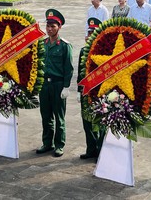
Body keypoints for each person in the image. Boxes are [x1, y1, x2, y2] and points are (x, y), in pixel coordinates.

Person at [37, 9, 73, 157]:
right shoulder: (42, 43)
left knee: (59, 116)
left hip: (58, 84)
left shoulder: (64, 46)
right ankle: (47, 143)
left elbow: (68, 68)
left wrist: (66, 86)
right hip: (44, 84)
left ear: (59, 27)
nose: (50, 29)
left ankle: (59, 144)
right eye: (48, 26)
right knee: (46, 115)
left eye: (53, 26)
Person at [77, 17, 105, 159]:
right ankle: (91, 149)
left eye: (94, 32)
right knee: (86, 122)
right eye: (89, 32)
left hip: (99, 92)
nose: (90, 36)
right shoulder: (83, 51)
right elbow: (80, 72)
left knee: (100, 121)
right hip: (86, 91)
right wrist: (78, 90)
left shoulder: (106, 51)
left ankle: (100, 150)